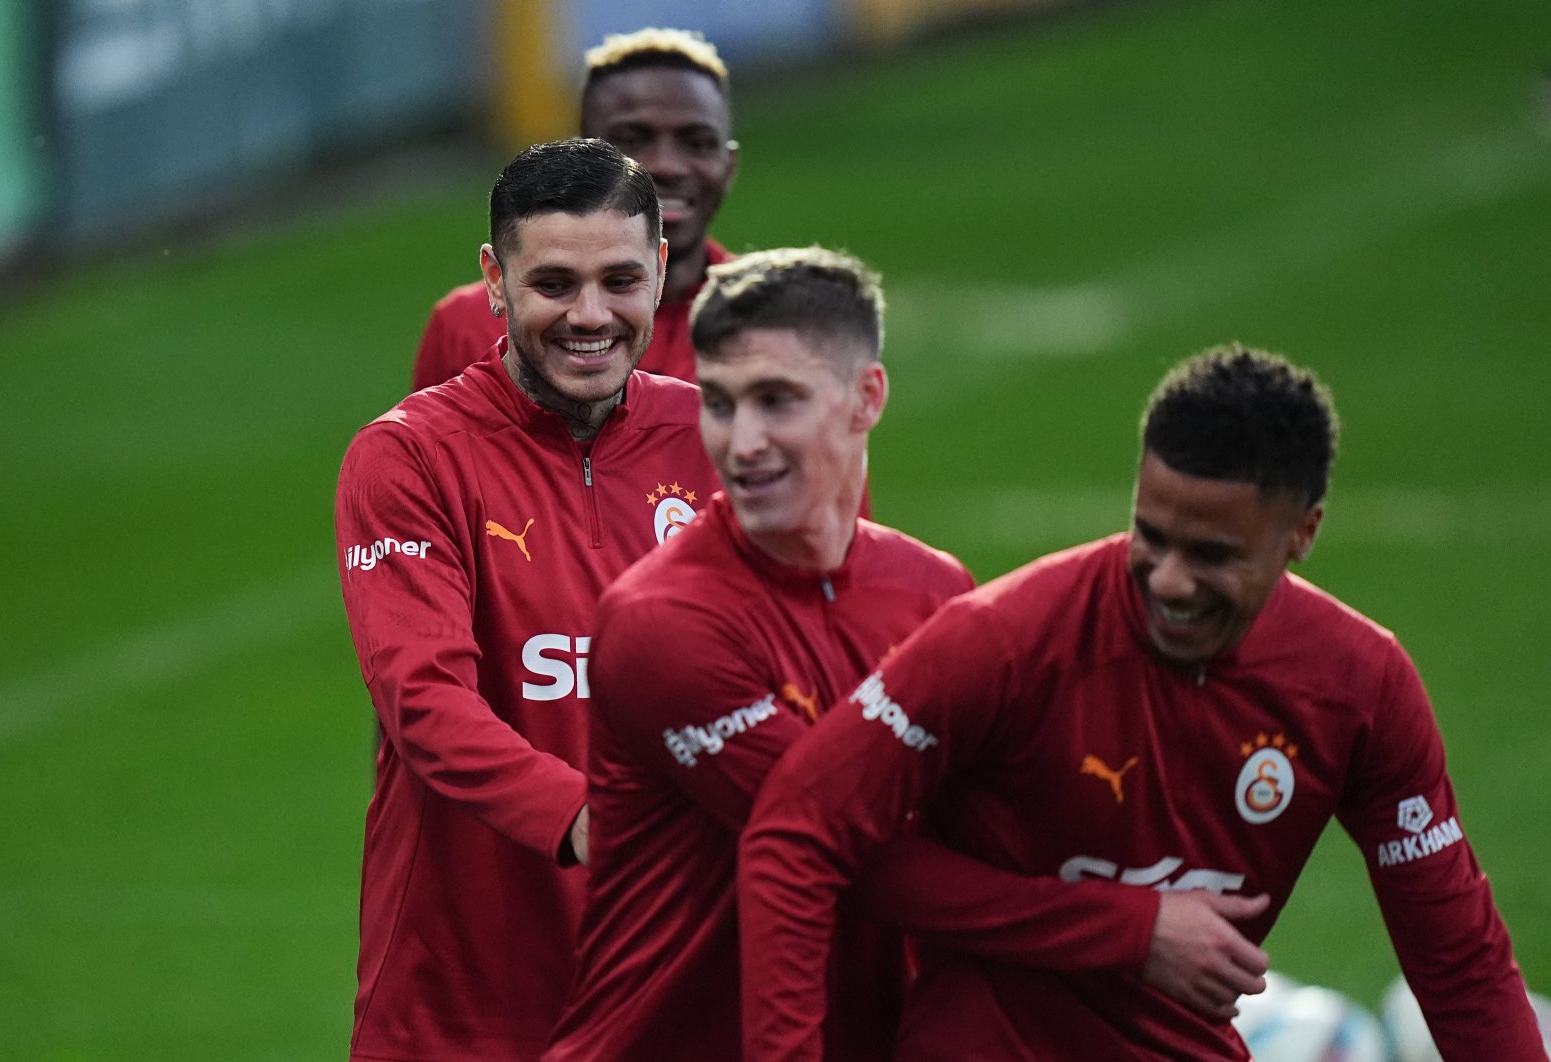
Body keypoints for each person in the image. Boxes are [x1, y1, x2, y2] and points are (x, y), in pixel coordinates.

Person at [543, 252, 1269, 1061]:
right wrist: (1128, 928)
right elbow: (845, 853)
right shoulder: (663, 626)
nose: (742, 442)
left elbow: (989, 826)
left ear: (867, 399)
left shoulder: (934, 590)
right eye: (720, 402)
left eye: (776, 401)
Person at [738, 345, 1548, 1061]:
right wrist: (1124, 929)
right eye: (1149, 535)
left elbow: (1461, 966)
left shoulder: (1360, 684)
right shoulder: (1007, 639)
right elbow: (795, 836)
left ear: (1302, 533)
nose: (1167, 580)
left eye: (1211, 555)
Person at [335, 138, 720, 1061]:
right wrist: (589, 818)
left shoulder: (715, 440)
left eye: (622, 280)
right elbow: (422, 699)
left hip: (677, 995)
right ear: (493, 282)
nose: (590, 316)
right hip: (463, 1011)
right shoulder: (409, 457)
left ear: (661, 269)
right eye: (553, 284)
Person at [411, 27, 738, 392]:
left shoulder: (774, 317)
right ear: (581, 153)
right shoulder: (465, 326)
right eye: (632, 139)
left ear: (729, 164)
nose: (666, 165)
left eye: (697, 142)